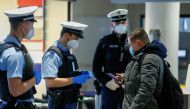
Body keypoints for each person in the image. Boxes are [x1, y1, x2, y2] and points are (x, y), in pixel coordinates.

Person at [42, 21, 92, 109]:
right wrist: (74, 79)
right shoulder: (53, 55)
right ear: (66, 36)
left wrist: (80, 75)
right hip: (59, 104)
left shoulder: (68, 54)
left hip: (70, 102)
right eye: (76, 38)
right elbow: (50, 82)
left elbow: (66, 74)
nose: (77, 41)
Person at [0, 6, 41, 109]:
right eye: (32, 25)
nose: (32, 29)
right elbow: (16, 91)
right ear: (24, 26)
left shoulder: (3, 46)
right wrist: (35, 78)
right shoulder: (15, 54)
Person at [92, 9, 131, 109]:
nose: (120, 24)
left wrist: (127, 79)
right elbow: (96, 68)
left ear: (126, 23)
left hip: (128, 88)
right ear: (112, 24)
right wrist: (107, 82)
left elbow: (138, 66)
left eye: (122, 22)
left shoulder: (132, 41)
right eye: (117, 22)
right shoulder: (105, 41)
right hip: (109, 89)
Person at [122, 28, 167, 109]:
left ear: (138, 43)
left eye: (131, 45)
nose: (130, 48)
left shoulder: (150, 59)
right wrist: (125, 77)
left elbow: (146, 88)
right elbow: (139, 78)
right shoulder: (139, 57)